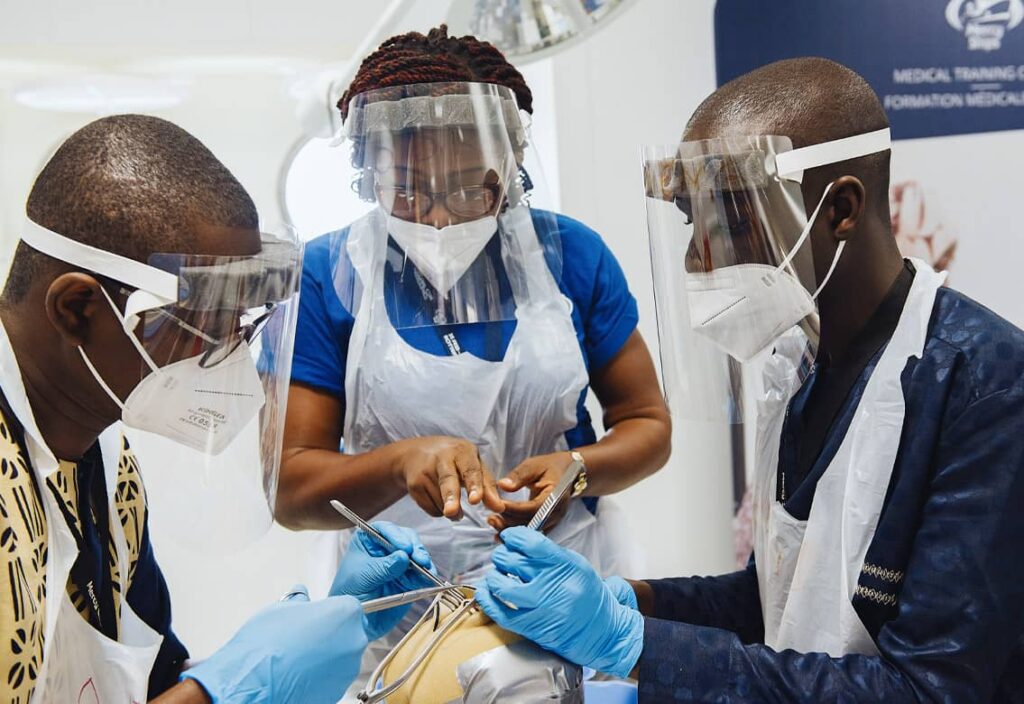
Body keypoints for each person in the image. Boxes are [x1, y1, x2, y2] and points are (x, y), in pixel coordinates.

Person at [472, 58, 1024, 702]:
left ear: (840, 207)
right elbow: (776, 601)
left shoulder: (985, 391)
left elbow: (929, 690)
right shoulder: (798, 365)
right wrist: (619, 600)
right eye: (690, 221)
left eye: (728, 217)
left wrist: (627, 641)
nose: (695, 257)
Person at [0, 114, 435, 703]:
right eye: (203, 324)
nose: (233, 361)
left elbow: (151, 681)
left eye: (243, 324)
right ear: (78, 308)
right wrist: (228, 690)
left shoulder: (106, 460)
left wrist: (340, 617)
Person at [278, 23, 670, 670]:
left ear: (511, 171)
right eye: (405, 188)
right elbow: (293, 487)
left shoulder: (569, 258)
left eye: (468, 189)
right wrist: (399, 463)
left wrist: (579, 471)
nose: (437, 219)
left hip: (562, 593)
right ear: (364, 172)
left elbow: (648, 423)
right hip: (392, 617)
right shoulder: (328, 276)